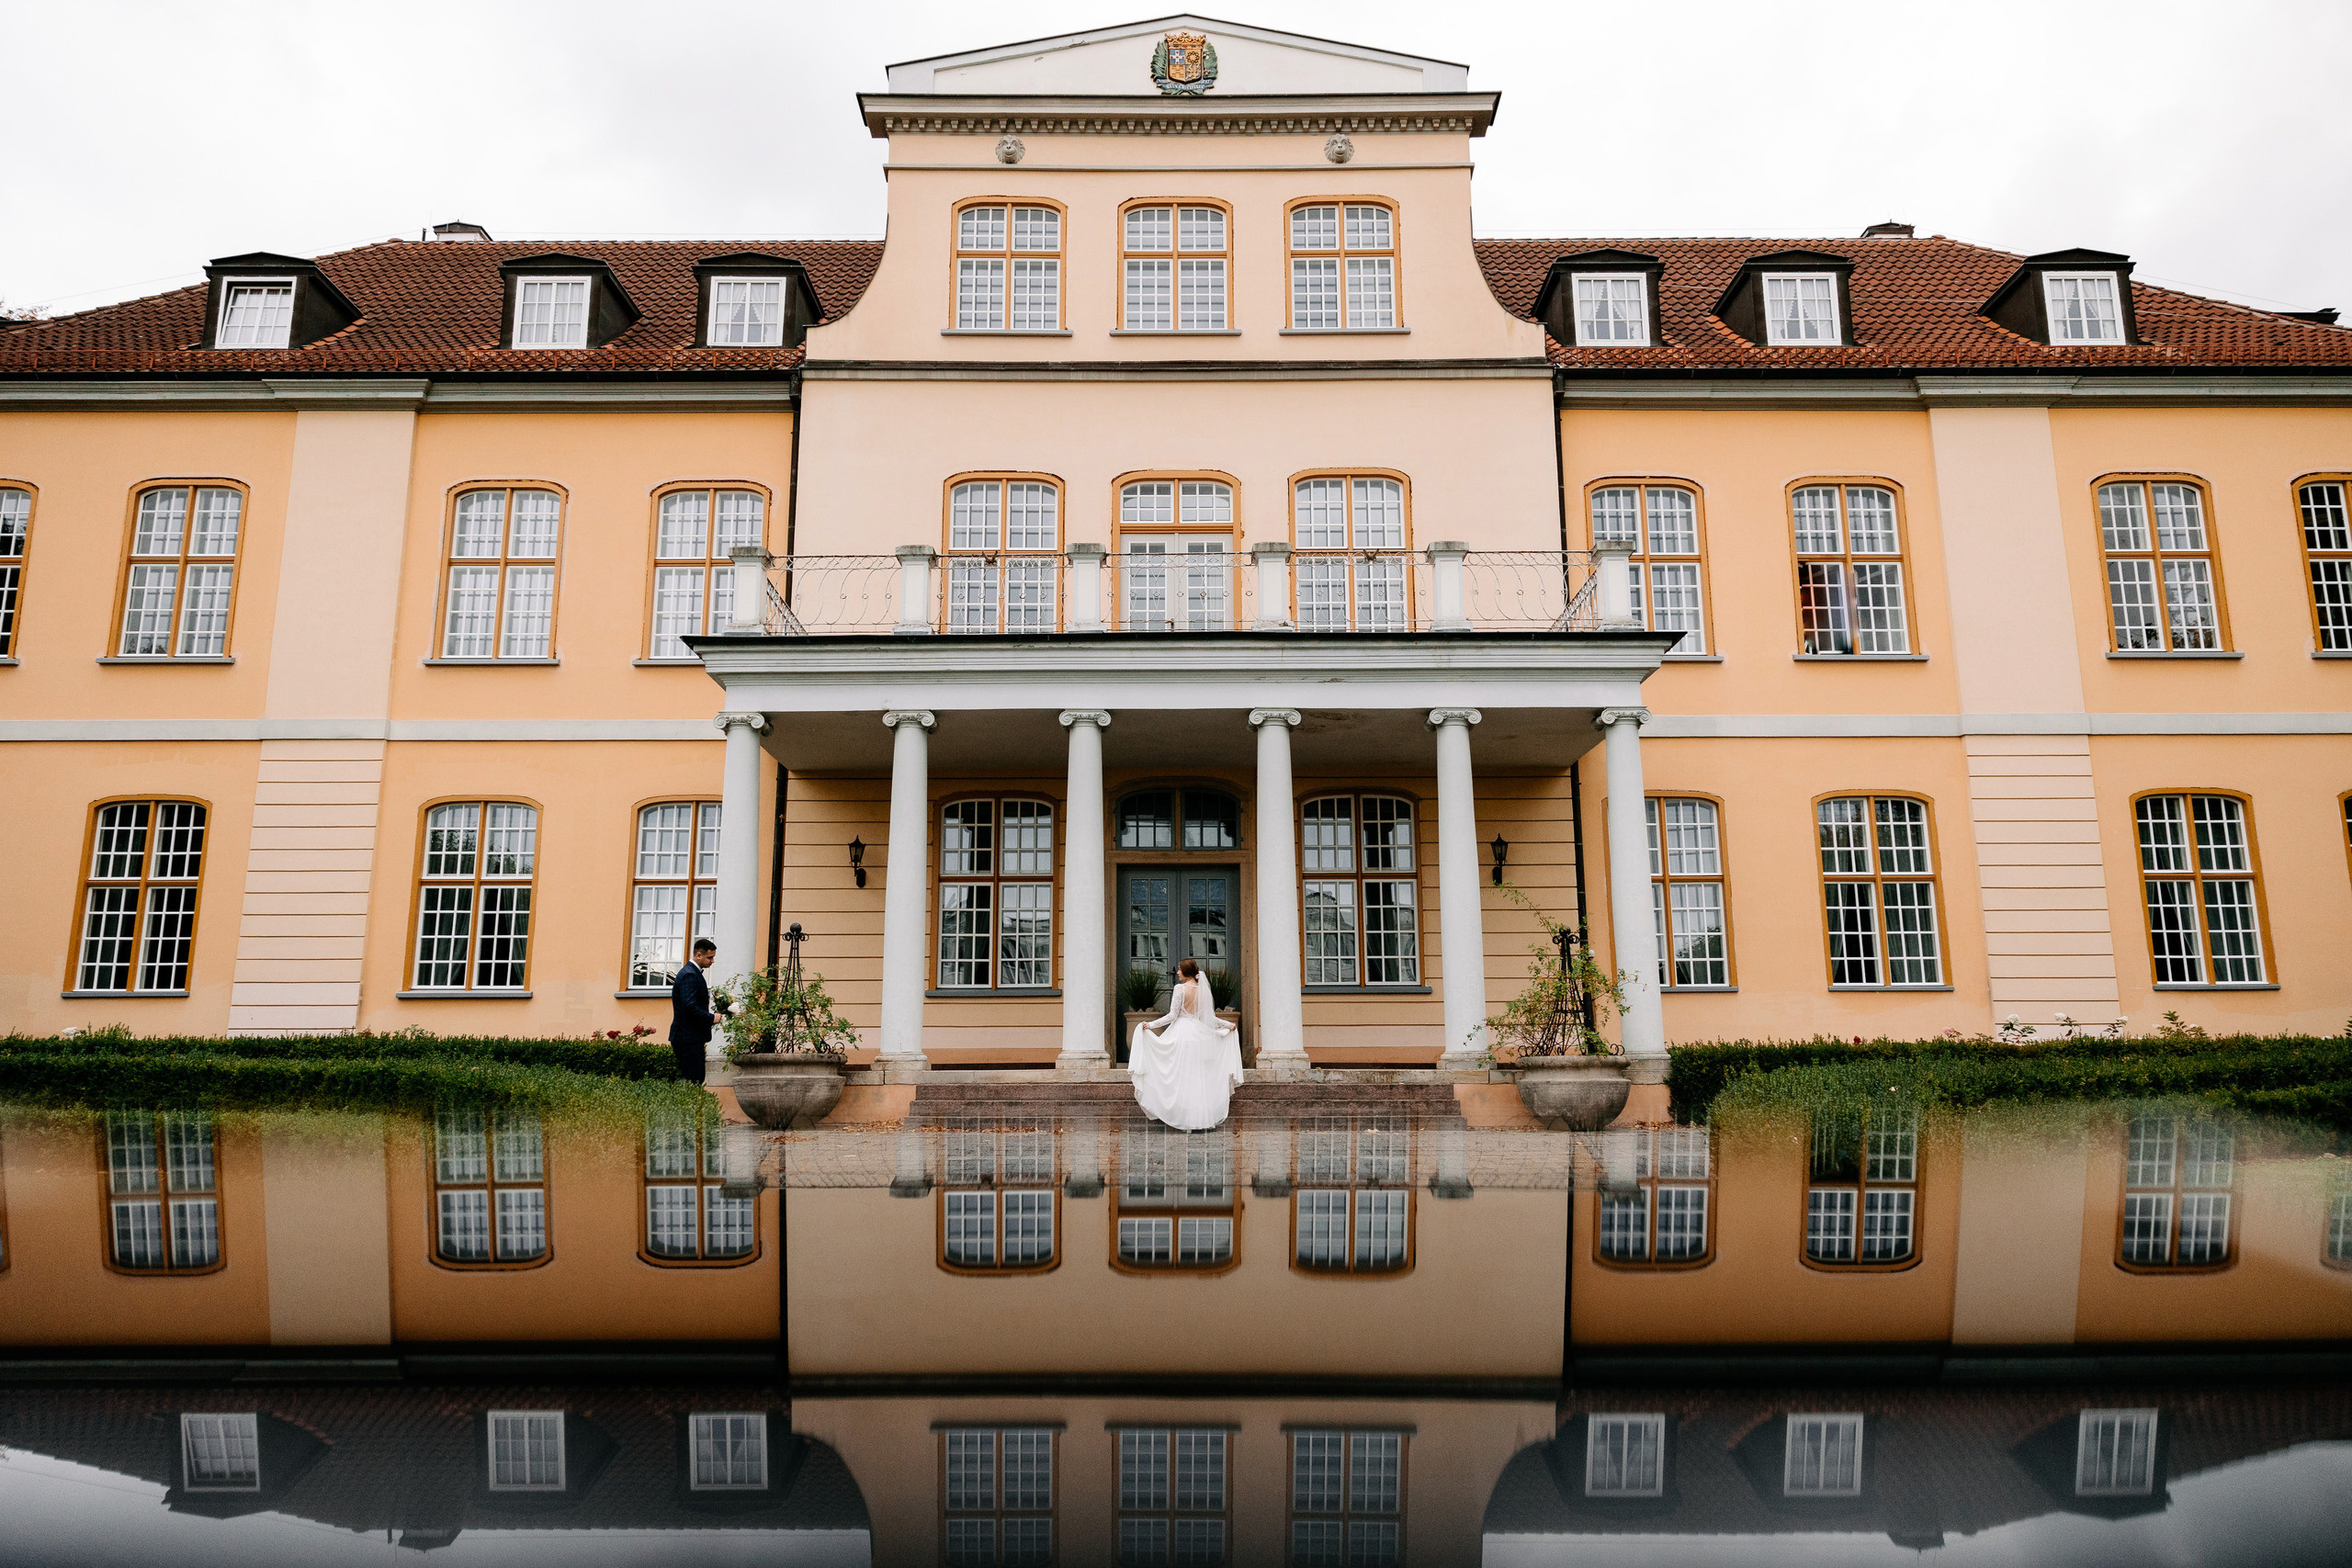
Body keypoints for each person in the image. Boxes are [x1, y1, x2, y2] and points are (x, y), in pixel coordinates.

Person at [1128, 958, 1243, 1131]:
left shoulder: (1180, 989)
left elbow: (1172, 1016)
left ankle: (1184, 1118)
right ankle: (1199, 1119)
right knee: (1196, 1078)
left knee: (1180, 1077)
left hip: (1181, 1034)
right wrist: (1228, 1025)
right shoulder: (1202, 990)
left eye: (1180, 970)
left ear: (1187, 971)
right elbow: (1209, 1018)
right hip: (1198, 1035)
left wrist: (1150, 1025)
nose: (1177, 972)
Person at [669, 937, 720, 1085]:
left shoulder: (692, 973)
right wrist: (711, 1018)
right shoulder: (690, 975)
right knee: (693, 1080)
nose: (712, 961)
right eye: (710, 957)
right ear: (698, 955)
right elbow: (689, 1006)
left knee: (695, 1079)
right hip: (687, 1038)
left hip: (690, 1037)